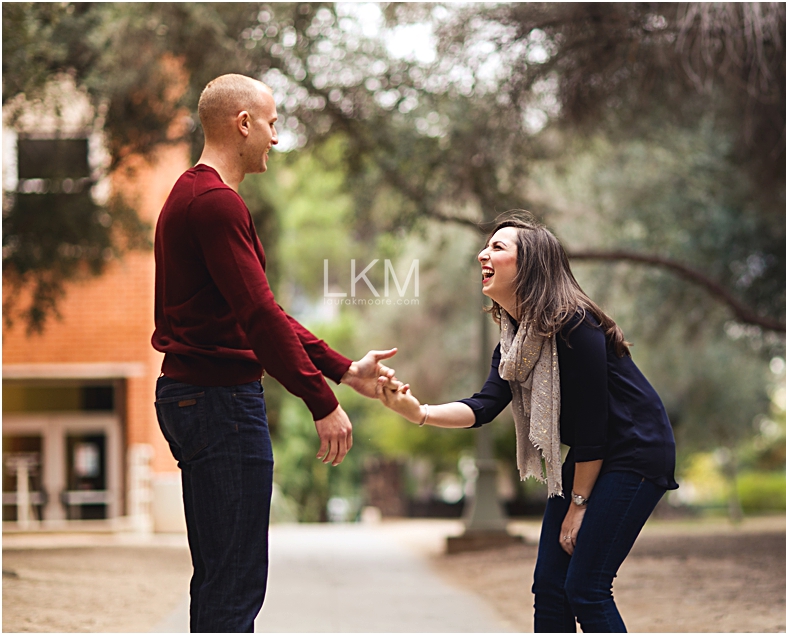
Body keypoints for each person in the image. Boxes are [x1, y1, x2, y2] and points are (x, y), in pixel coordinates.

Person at [151, 73, 398, 632]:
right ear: (243, 123)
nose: (276, 138)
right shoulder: (216, 204)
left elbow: (262, 309)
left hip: (197, 399)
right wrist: (320, 402)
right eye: (272, 123)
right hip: (218, 404)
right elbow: (260, 318)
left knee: (220, 576)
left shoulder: (194, 196)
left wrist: (341, 370)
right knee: (234, 581)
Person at [376, 212, 678, 633]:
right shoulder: (513, 347)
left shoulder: (574, 321)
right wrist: (419, 412)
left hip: (635, 450)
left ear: (530, 265)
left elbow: (593, 427)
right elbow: (483, 405)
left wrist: (578, 506)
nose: (483, 253)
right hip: (595, 455)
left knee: (587, 588)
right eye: (486, 246)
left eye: (498, 247)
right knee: (550, 589)